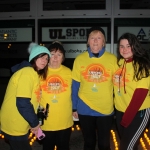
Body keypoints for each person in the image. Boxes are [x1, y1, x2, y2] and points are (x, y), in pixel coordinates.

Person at [72, 26, 117, 150]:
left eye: (99, 38)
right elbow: (75, 85)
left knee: (104, 144)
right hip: (84, 107)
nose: (95, 41)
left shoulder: (112, 59)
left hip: (105, 109)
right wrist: (74, 107)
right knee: (89, 142)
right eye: (92, 38)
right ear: (88, 41)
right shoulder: (80, 59)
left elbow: (118, 85)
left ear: (104, 42)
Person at [0, 43, 50, 150]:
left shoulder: (32, 74)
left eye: (46, 58)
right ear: (33, 57)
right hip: (15, 122)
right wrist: (35, 124)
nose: (44, 61)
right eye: (41, 57)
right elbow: (22, 103)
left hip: (19, 121)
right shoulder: (27, 73)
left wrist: (40, 109)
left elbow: (32, 97)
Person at [113, 33, 150, 150]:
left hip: (138, 112)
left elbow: (140, 95)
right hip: (120, 111)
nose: (124, 49)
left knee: (126, 147)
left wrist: (126, 118)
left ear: (135, 46)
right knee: (129, 145)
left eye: (128, 46)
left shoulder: (142, 66)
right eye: (121, 46)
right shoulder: (119, 63)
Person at [40, 41, 73, 150]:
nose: (55, 57)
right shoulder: (40, 72)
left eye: (59, 55)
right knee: (47, 147)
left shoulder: (69, 72)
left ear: (63, 58)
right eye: (52, 54)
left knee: (64, 147)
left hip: (64, 120)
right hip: (47, 121)